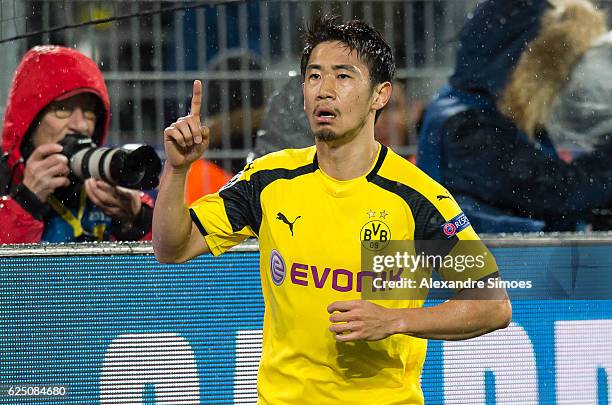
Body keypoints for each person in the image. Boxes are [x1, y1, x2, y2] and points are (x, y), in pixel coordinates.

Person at [153, 16, 511, 404]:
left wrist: (395, 320)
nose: (324, 91)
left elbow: (491, 306)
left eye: (343, 77)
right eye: (313, 76)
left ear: (380, 95)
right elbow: (172, 247)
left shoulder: (418, 198)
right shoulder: (270, 179)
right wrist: (177, 169)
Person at [417, 0, 612, 233]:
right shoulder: (468, 128)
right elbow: (559, 193)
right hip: (486, 265)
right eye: (557, 70)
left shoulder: (487, 109)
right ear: (521, 62)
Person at [0, 45, 154, 243]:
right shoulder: (5, 181)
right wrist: (26, 202)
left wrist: (138, 220)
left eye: (89, 110)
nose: (80, 125)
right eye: (62, 109)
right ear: (28, 121)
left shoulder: (110, 187)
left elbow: (165, 268)